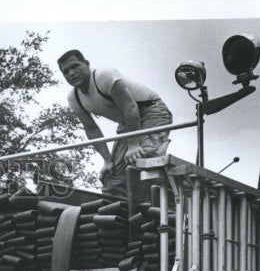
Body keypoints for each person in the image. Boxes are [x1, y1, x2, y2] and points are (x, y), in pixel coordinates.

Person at [57, 50, 173, 197]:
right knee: (112, 173)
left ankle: (172, 200)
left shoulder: (104, 76)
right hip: (127, 121)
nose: (71, 73)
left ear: (86, 64)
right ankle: (125, 213)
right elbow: (92, 130)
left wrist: (133, 145)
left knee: (143, 156)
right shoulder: (74, 98)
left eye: (75, 66)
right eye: (66, 71)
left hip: (151, 111)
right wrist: (107, 159)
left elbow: (130, 107)